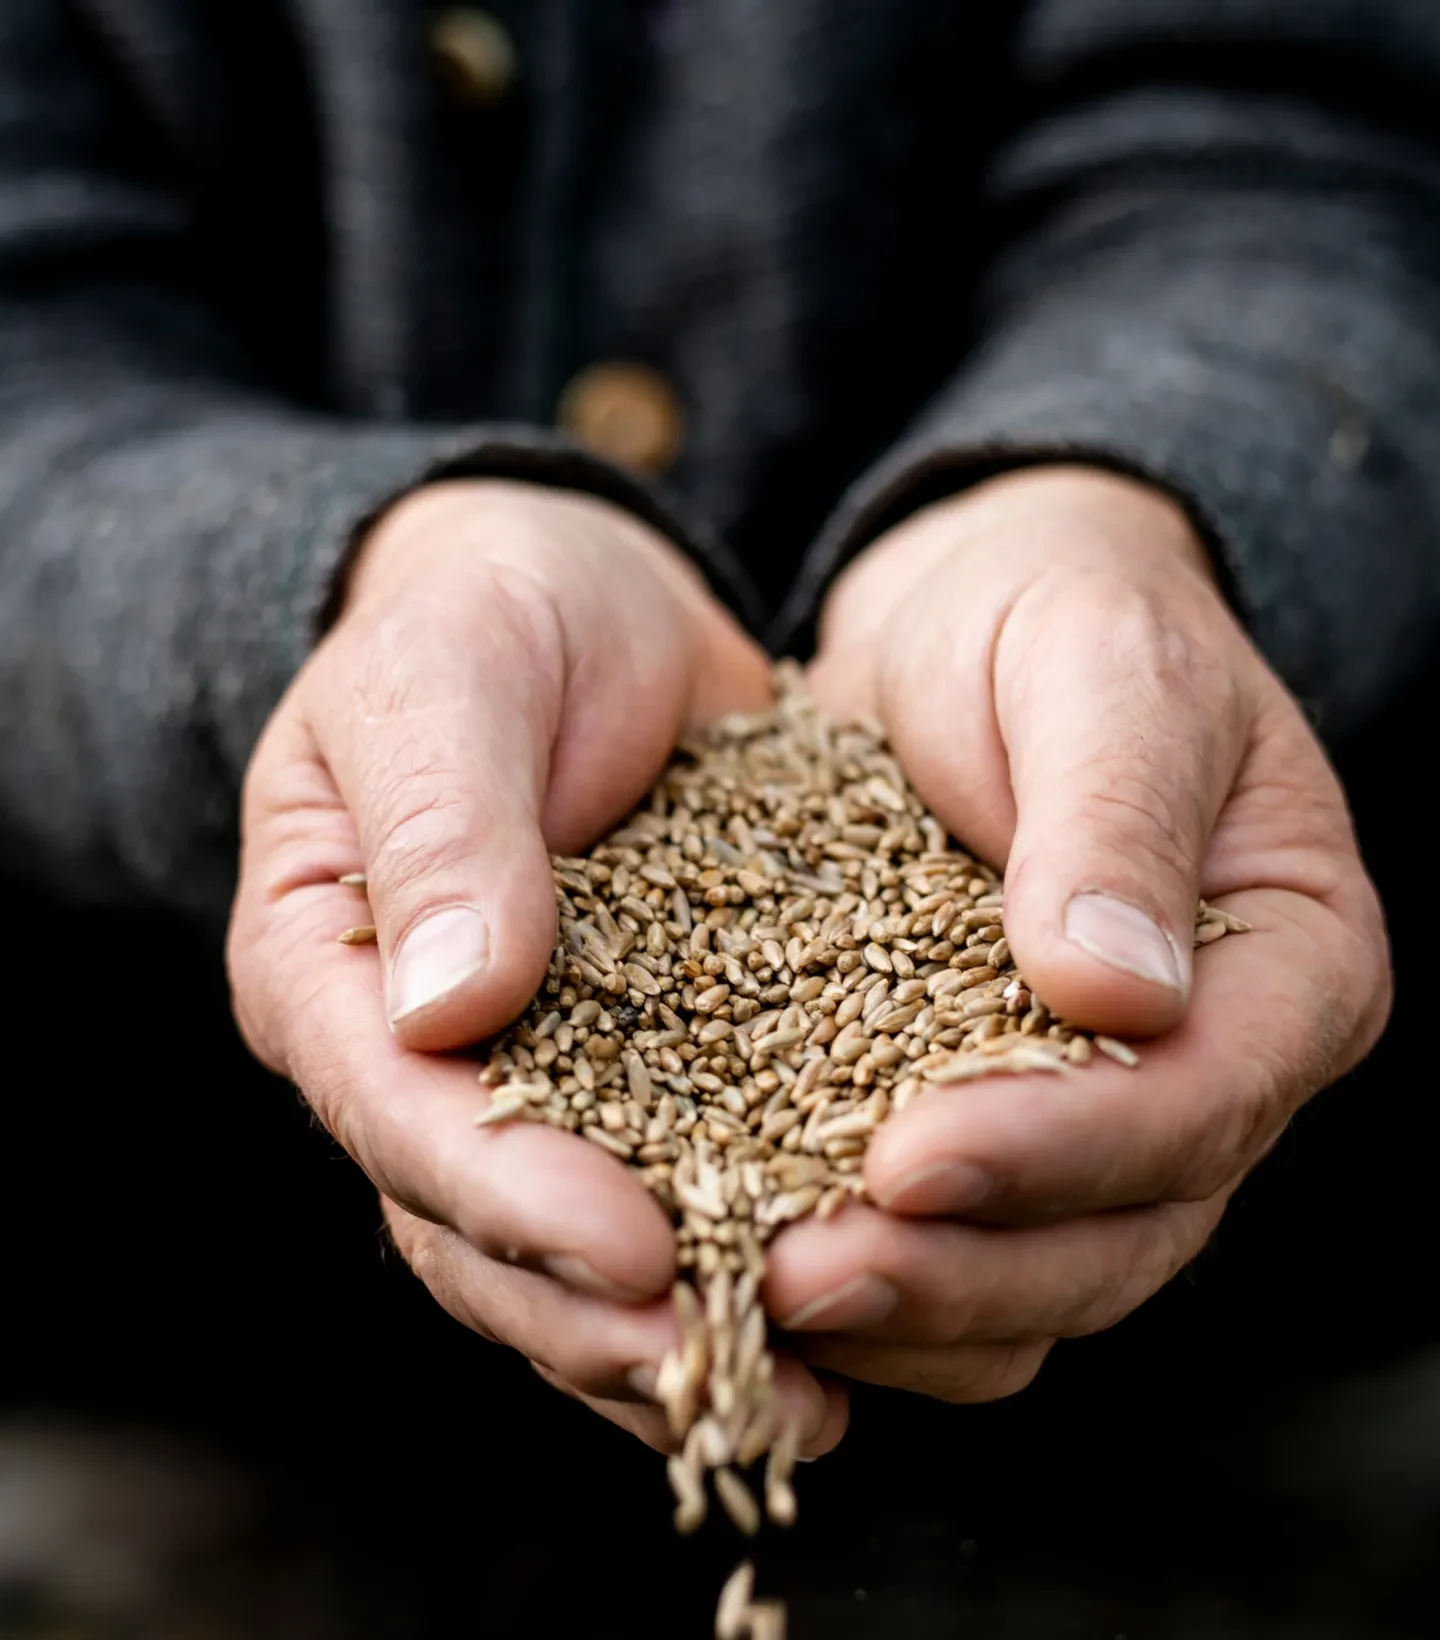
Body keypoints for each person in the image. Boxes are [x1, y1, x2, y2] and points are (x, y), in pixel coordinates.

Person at [1, 0, 1433, 1469]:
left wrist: (1127, 505)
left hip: (1248, 1393)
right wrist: (325, 584)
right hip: (168, 1342)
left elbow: (1291, 157)